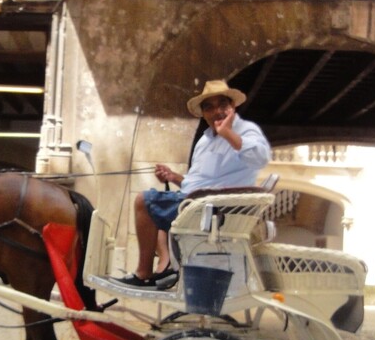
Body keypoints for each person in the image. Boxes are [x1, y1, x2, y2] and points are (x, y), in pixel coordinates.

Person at [114, 80, 271, 287]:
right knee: (157, 216)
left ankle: (143, 273)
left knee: (144, 201)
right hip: (198, 204)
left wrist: (227, 134)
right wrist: (173, 177)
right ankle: (166, 267)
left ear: (233, 107)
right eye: (209, 107)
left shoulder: (244, 130)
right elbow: (198, 182)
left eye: (222, 105)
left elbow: (259, 158)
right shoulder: (205, 140)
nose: (217, 111)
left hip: (215, 210)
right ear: (203, 113)